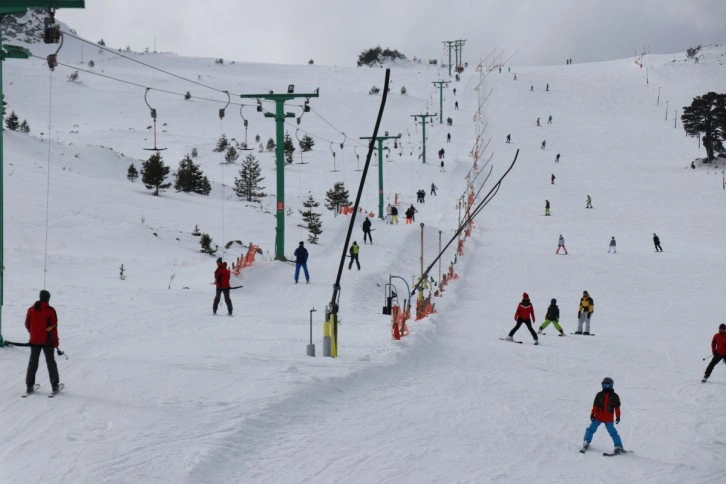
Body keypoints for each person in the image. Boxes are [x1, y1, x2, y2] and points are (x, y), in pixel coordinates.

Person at [25, 289, 61, 394]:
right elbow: (53, 327)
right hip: (47, 342)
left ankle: (29, 385)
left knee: (33, 362)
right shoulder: (50, 310)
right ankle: (55, 386)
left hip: (34, 341)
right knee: (50, 362)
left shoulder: (31, 310)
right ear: (48, 298)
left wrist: (34, 334)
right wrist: (56, 342)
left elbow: (27, 324)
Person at [581, 377, 624, 454]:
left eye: (607, 385)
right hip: (598, 416)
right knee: (590, 429)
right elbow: (595, 406)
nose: (605, 387)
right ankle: (586, 441)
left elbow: (617, 408)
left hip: (608, 418)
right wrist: (592, 413)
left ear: (611, 386)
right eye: (604, 385)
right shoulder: (599, 394)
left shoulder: (614, 396)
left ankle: (618, 446)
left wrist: (618, 416)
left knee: (613, 432)